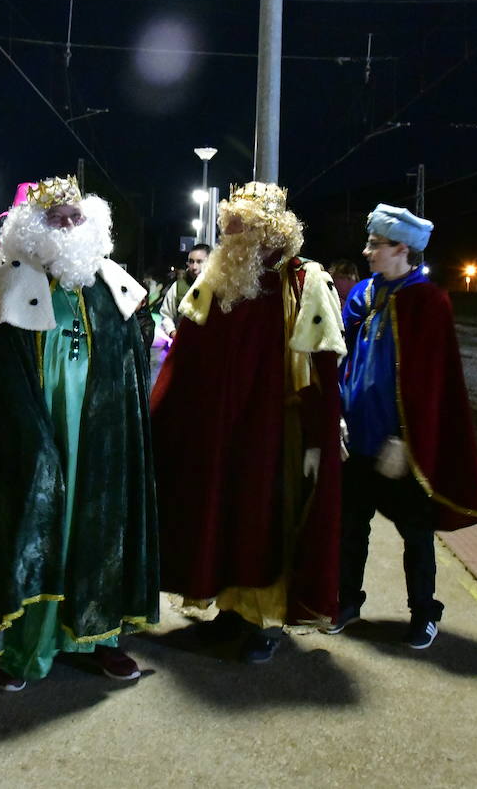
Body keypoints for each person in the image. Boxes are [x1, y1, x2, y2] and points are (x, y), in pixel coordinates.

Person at [0, 175, 158, 687]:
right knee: (36, 532)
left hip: (99, 439)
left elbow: (131, 373)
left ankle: (100, 638)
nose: (71, 226)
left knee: (99, 529)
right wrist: (32, 441)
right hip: (38, 438)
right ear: (34, 229)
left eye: (77, 217)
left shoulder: (113, 287)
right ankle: (30, 646)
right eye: (58, 218)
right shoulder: (9, 286)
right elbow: (1, 381)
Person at [149, 180, 346, 662]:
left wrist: (322, 436)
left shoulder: (303, 281)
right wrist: (161, 418)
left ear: (268, 231)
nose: (230, 240)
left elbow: (322, 368)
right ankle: (231, 611)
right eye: (228, 230)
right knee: (223, 515)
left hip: (276, 431)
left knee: (264, 519)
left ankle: (264, 620)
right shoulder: (219, 278)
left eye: (240, 230)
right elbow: (185, 357)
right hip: (220, 428)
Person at [331, 204, 477, 649]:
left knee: (416, 534)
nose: (367, 252)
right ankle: (347, 601)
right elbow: (342, 358)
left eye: (375, 245)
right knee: (349, 528)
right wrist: (337, 416)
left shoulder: (428, 302)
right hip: (357, 439)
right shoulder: (363, 295)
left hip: (402, 447)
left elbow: (434, 383)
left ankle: (423, 612)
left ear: (402, 248)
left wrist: (405, 436)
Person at [158, 243, 210, 338]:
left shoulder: (216, 288)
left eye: (199, 262)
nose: (194, 267)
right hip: (183, 344)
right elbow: (166, 314)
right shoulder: (177, 286)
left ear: (209, 263)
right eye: (191, 261)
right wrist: (172, 332)